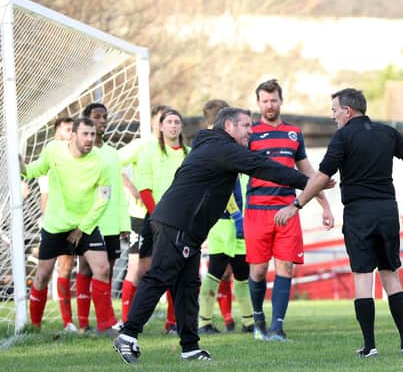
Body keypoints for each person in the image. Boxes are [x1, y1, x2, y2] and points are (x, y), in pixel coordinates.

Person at [113, 107, 321, 363]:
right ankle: (128, 335)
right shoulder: (223, 149)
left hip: (186, 227)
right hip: (177, 223)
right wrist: (309, 182)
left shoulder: (212, 146)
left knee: (188, 286)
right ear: (229, 127)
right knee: (160, 276)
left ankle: (190, 347)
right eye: (246, 126)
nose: (250, 131)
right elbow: (262, 167)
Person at [275, 88, 403, 358]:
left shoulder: (342, 137)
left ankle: (370, 346)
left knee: (363, 278)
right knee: (391, 275)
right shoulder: (387, 133)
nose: (332, 116)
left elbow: (321, 176)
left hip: (359, 215)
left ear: (348, 111)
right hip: (387, 212)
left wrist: (296, 204)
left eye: (334, 110)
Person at [245, 79, 334, 342]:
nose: (269, 105)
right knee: (259, 270)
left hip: (288, 209)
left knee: (286, 266)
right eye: (265, 100)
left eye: (274, 100)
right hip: (257, 211)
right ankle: (258, 320)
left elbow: (307, 173)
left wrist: (325, 205)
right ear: (258, 103)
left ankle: (277, 328)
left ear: (281, 101)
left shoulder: (293, 133)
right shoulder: (250, 133)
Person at [21, 117, 118, 336]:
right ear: (73, 135)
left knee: (102, 269)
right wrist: (22, 167)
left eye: (92, 135)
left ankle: (106, 326)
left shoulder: (101, 162)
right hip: (56, 225)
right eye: (85, 134)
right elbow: (35, 170)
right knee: (43, 275)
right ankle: (34, 328)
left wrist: (82, 227)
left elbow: (103, 198)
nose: (89, 139)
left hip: (86, 225)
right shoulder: (54, 150)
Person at [198, 99, 254, 335]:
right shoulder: (217, 148)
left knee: (240, 273)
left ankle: (249, 322)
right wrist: (236, 214)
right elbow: (225, 187)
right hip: (225, 222)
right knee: (216, 271)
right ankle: (204, 322)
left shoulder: (235, 146)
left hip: (236, 222)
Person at [74, 103, 130, 333]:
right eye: (97, 117)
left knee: (104, 270)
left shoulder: (111, 152)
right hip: (89, 222)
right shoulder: (83, 153)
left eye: (105, 117)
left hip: (111, 223)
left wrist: (123, 224)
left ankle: (97, 322)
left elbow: (115, 191)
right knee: (90, 270)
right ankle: (93, 322)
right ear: (86, 121)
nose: (102, 121)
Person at [135, 108, 190, 333]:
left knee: (182, 271)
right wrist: (158, 216)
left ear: (181, 127)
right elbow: (145, 187)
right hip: (158, 220)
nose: (173, 126)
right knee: (152, 270)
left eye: (177, 122)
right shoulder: (149, 151)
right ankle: (134, 320)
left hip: (184, 221)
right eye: (169, 122)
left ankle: (174, 321)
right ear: (160, 126)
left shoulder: (190, 153)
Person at [118, 104, 169, 326]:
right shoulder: (142, 145)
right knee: (135, 268)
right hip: (141, 215)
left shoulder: (173, 148)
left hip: (166, 215)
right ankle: (126, 320)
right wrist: (129, 186)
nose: (164, 125)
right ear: (152, 123)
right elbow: (113, 163)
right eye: (160, 121)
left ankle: (171, 321)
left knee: (160, 267)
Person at [36, 116, 75, 332]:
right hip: (52, 223)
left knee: (66, 269)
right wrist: (47, 221)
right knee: (44, 272)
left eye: (72, 129)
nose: (70, 133)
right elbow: (45, 196)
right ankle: (35, 323)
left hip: (72, 222)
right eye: (67, 129)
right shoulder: (50, 157)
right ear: (57, 131)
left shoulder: (75, 158)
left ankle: (68, 320)